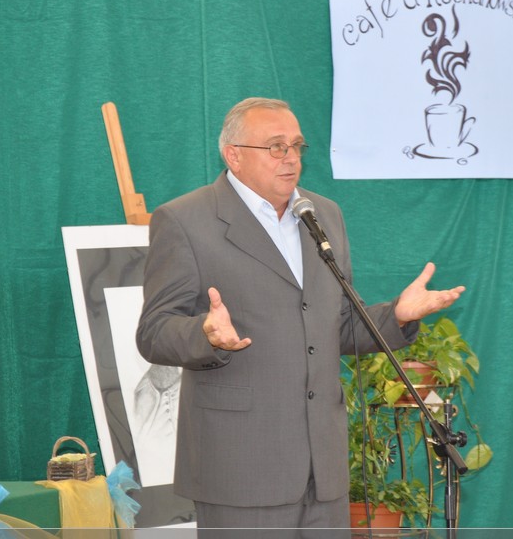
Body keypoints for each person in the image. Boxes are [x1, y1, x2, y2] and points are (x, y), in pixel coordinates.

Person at [136, 97, 465, 536]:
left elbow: (337, 324)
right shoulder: (185, 220)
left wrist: (398, 316)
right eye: (275, 146)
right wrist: (205, 333)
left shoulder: (321, 214)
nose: (290, 157)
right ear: (233, 155)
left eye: (296, 145)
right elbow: (154, 331)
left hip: (322, 468)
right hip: (241, 465)